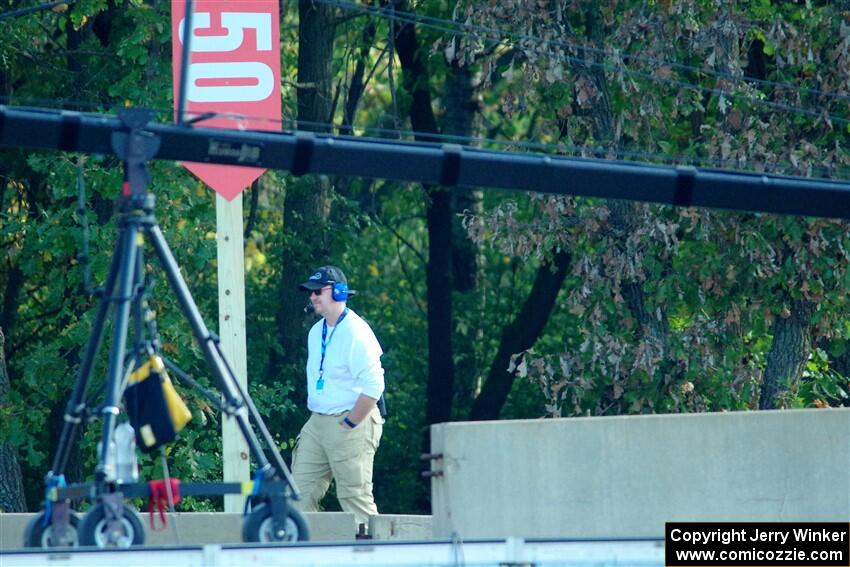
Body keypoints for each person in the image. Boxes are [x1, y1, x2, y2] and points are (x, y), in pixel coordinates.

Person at [291, 265, 385, 532]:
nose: (312, 297)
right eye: (310, 292)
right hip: (317, 423)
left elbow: (374, 386)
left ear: (339, 292)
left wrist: (351, 423)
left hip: (351, 419)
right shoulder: (315, 332)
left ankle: (374, 559)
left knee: (355, 498)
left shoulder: (356, 332)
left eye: (318, 291)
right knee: (297, 496)